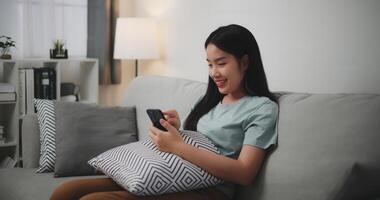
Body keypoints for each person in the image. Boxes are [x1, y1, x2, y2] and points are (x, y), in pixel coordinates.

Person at [50, 24, 278, 200]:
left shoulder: (261, 108)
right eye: (209, 64)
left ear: (245, 62)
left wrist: (178, 145)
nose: (214, 72)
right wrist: (177, 129)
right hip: (174, 176)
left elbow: (244, 173)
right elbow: (197, 143)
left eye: (221, 63)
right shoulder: (210, 100)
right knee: (67, 191)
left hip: (209, 191)